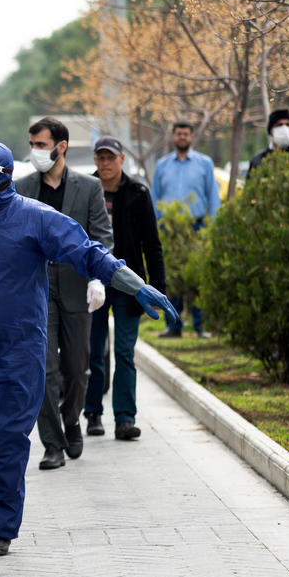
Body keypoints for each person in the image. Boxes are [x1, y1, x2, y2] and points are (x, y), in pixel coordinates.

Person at [0, 141, 177, 557]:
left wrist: (135, 284)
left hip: (16, 353)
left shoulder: (34, 218)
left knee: (6, 441)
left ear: (4, 180)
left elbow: (87, 252)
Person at [16, 117, 113, 469]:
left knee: (76, 368)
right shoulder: (23, 188)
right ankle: (52, 444)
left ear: (61, 147)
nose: (35, 151)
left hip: (76, 286)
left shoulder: (88, 188)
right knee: (43, 369)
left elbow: (100, 235)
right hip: (37, 292)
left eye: (41, 145)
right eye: (33, 144)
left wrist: (97, 277)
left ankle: (72, 419)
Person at [84, 136, 167, 441]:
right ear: (95, 160)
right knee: (93, 352)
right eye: (100, 158)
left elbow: (152, 244)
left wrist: (157, 288)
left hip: (129, 284)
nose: (105, 164)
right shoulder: (85, 188)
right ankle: (92, 412)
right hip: (93, 281)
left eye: (110, 158)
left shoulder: (137, 193)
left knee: (124, 352)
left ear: (121, 160)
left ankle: (124, 417)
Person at [151, 121, 219, 338]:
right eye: (179, 134)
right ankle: (174, 326)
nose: (182, 137)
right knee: (172, 278)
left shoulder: (204, 163)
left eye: (186, 134)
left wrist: (212, 226)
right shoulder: (162, 165)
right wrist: (156, 227)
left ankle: (200, 327)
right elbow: (155, 198)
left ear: (191, 137)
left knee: (197, 276)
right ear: (173, 136)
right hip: (170, 229)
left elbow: (213, 197)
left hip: (196, 226)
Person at [249, 109, 289, 174]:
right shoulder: (259, 160)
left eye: (288, 125)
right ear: (271, 130)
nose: (284, 128)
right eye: (279, 125)